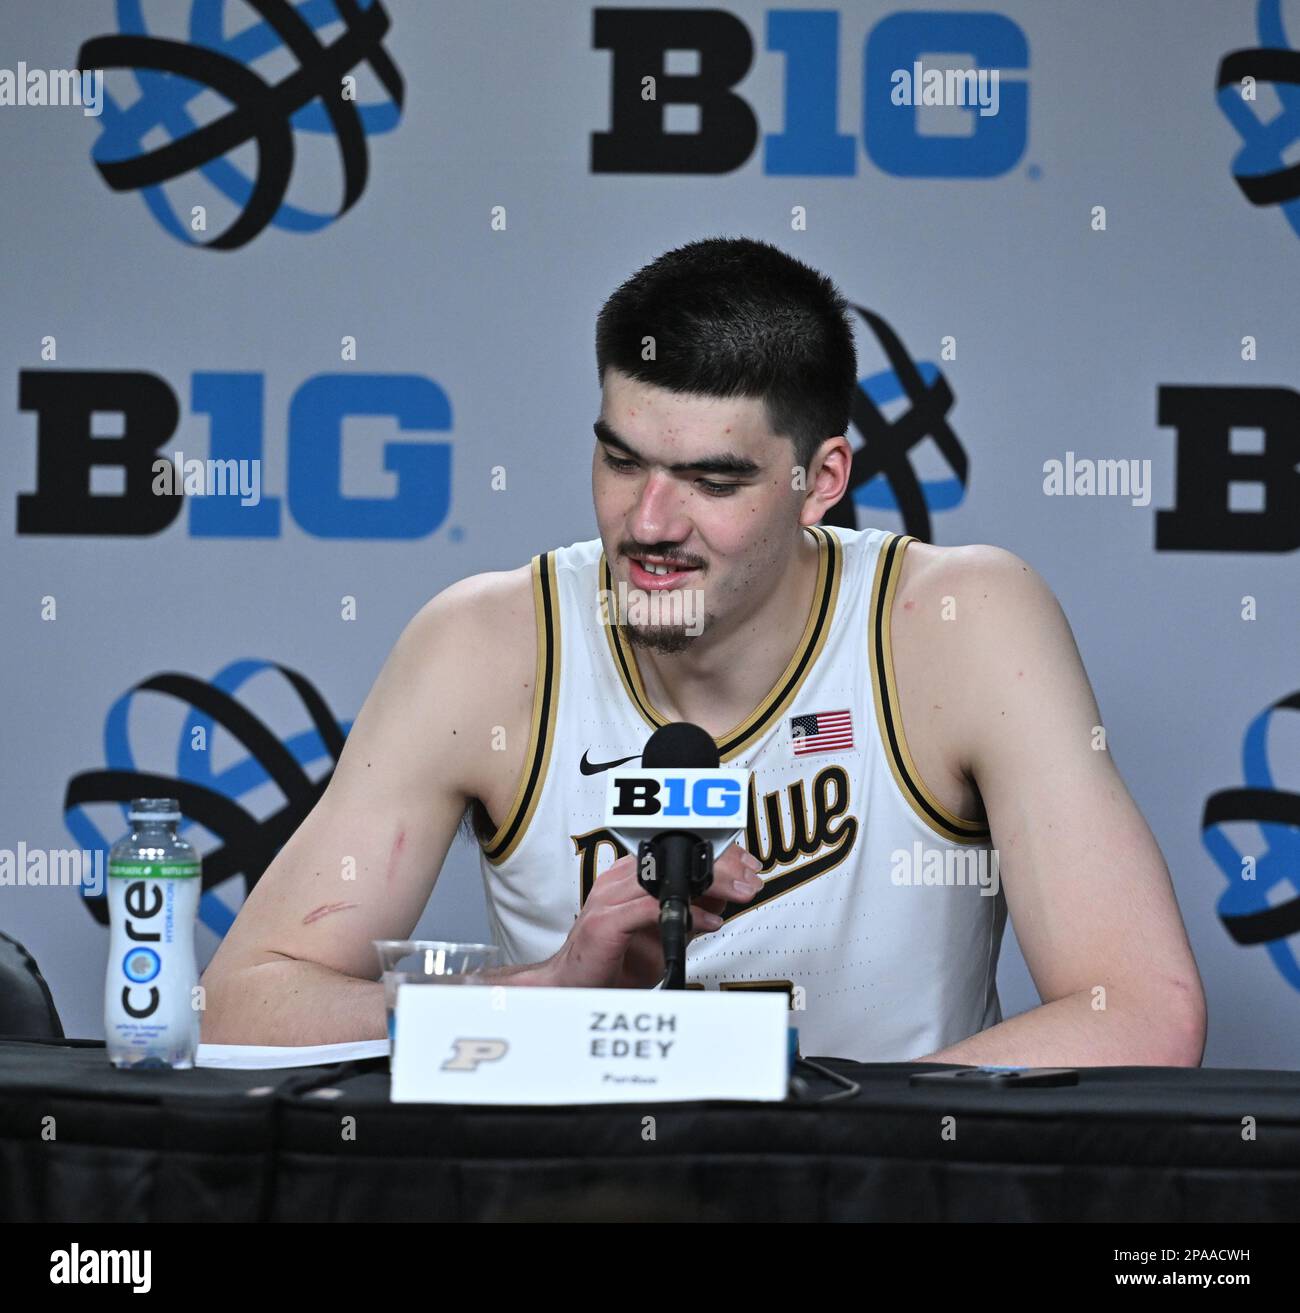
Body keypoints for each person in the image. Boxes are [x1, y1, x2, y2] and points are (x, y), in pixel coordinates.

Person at [200, 236, 1206, 1065]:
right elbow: (240, 1002)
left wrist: (807, 1129)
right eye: (620, 457)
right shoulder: (486, 643)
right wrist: (545, 992)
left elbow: (1142, 1012)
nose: (647, 522)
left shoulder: (956, 624)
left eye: (713, 479)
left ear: (823, 480)